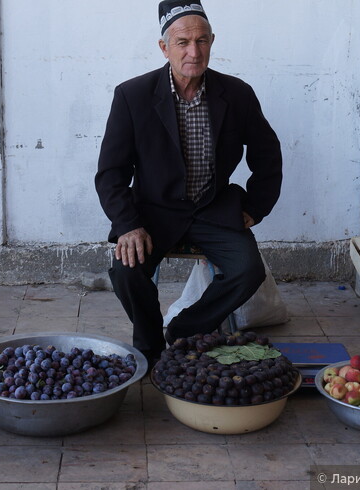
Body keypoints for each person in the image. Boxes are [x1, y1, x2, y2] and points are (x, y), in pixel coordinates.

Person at [95, 0, 282, 366]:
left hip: (213, 208)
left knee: (248, 269)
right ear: (164, 47)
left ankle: (183, 330)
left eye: (201, 41)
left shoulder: (237, 93)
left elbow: (267, 153)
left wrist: (256, 207)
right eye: (182, 42)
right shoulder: (132, 96)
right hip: (153, 211)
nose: (193, 52)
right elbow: (110, 172)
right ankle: (150, 345)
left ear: (212, 41)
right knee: (126, 272)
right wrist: (128, 225)